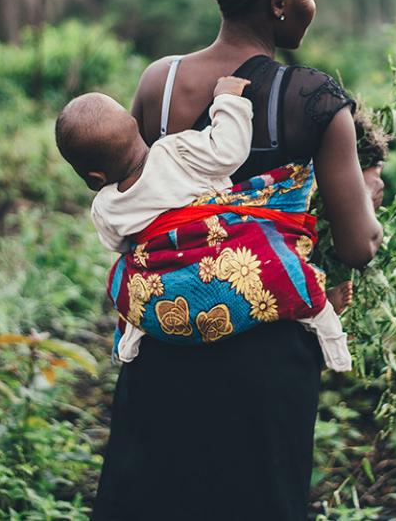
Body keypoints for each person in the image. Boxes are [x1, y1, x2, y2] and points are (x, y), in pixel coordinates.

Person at [91, 0, 383, 521]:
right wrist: (368, 197)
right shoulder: (314, 100)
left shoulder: (159, 84)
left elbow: (146, 195)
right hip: (264, 361)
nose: (312, 5)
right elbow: (357, 248)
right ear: (281, 2)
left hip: (165, 339)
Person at [55, 77, 352, 370]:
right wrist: (227, 100)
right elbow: (228, 151)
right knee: (277, 264)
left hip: (168, 293)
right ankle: (326, 323)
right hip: (222, 259)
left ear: (94, 178)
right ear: (135, 127)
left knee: (124, 277)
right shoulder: (174, 150)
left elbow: (121, 246)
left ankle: (130, 340)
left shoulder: (105, 206)